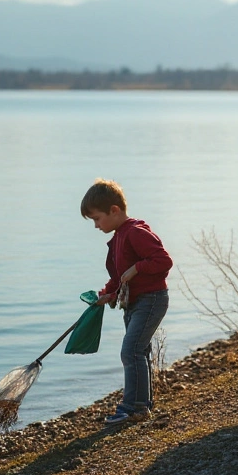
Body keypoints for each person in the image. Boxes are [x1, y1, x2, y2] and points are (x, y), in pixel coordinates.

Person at [81, 178, 174, 424]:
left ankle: (133, 408)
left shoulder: (135, 232)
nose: (96, 225)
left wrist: (138, 268)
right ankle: (142, 405)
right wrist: (105, 294)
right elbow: (118, 277)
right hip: (133, 302)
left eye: (97, 219)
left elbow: (163, 261)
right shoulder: (118, 238)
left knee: (130, 350)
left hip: (151, 299)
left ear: (114, 210)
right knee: (139, 351)